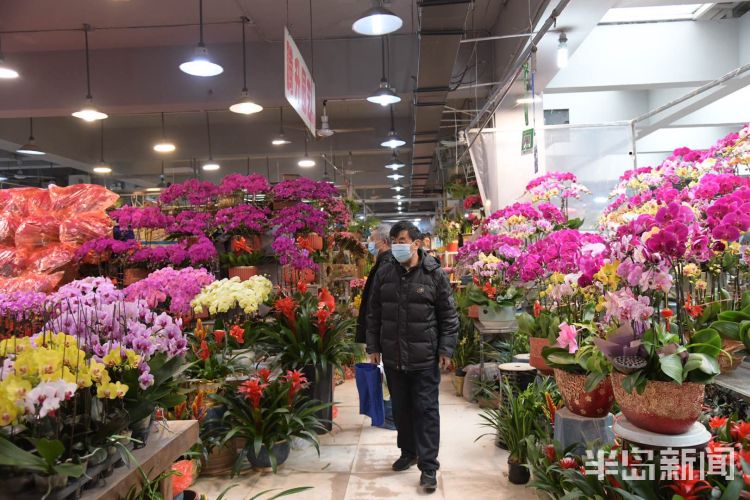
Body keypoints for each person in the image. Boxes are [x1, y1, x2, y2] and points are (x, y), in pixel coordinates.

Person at [365, 221, 459, 493]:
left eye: (403, 240)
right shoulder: (385, 274)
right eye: (394, 240)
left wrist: (446, 349)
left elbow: (449, 317)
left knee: (426, 411)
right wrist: (373, 347)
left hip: (424, 358)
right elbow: (374, 315)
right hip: (393, 357)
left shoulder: (434, 275)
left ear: (417, 244)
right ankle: (408, 451)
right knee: (401, 408)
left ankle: (428, 466)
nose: (397, 245)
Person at [355, 225, 396, 430]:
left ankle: (390, 417)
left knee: (388, 375)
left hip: (384, 333)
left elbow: (376, 305)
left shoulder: (386, 263)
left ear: (384, 241)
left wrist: (374, 342)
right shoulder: (385, 261)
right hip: (384, 332)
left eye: (372, 239)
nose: (369, 243)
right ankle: (389, 415)